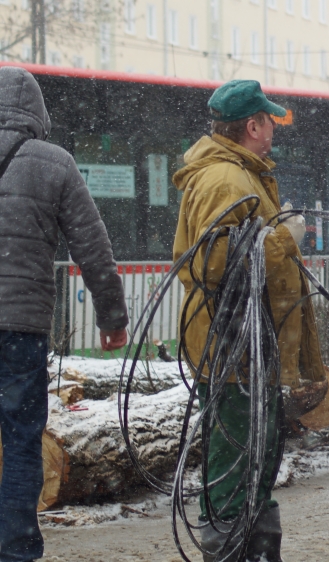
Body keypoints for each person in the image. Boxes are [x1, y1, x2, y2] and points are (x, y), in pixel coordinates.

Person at [172, 80, 329, 562]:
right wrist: (283, 238)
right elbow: (211, 262)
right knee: (237, 462)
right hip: (234, 346)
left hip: (250, 345)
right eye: (268, 120)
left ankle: (260, 552)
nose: (273, 128)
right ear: (252, 126)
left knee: (259, 460)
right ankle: (229, 552)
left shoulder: (243, 174)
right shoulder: (226, 179)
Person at [0, 66, 129, 562]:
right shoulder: (55, 163)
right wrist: (111, 319)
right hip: (23, 330)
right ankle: (16, 550)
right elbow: (93, 248)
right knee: (21, 440)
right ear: (36, 112)